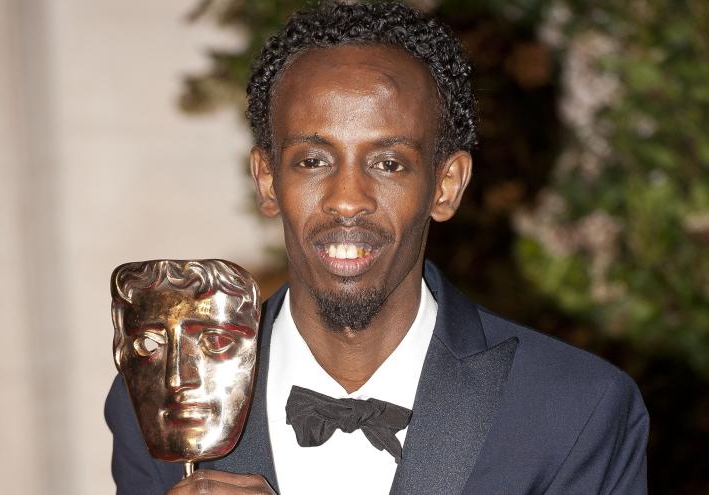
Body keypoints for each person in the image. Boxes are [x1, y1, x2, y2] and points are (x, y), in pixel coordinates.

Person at [105, 2, 649, 494]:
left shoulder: (576, 408)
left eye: (388, 163)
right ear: (268, 181)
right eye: (313, 161)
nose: (347, 200)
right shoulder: (163, 401)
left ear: (446, 185)